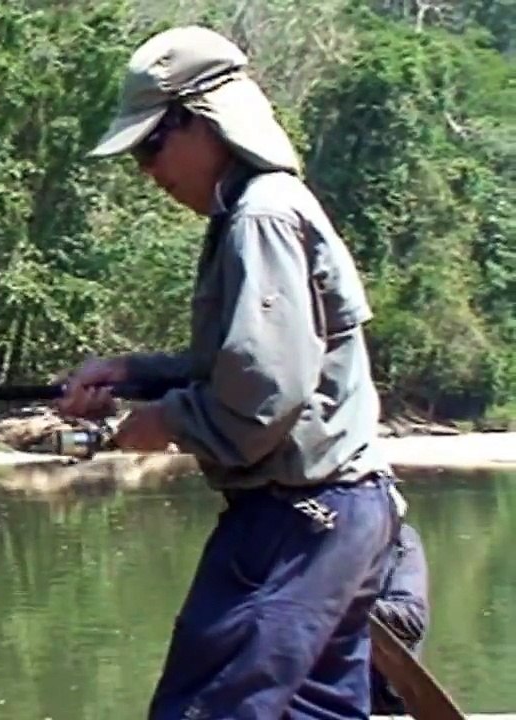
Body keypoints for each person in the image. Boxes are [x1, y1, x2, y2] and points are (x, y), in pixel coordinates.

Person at [56, 26, 406, 718]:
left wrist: (160, 425)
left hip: (296, 522)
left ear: (202, 118)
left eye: (153, 144)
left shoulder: (261, 216)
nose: (148, 171)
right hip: (347, 513)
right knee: (317, 711)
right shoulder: (257, 211)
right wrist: (131, 373)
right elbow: (242, 363)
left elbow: (264, 399)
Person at [370, 522, 431, 716]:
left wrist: (336, 604)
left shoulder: (398, 538)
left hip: (381, 704)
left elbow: (411, 621)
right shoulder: (290, 538)